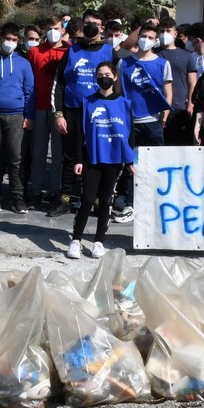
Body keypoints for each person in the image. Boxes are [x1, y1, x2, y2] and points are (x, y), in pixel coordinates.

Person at [68, 63, 136, 260]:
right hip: (92, 158)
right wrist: (78, 159)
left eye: (107, 74)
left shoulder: (124, 103)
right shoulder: (87, 102)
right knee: (87, 200)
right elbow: (79, 134)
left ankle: (99, 242)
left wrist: (130, 161)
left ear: (115, 77)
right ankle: (76, 240)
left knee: (106, 201)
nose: (103, 78)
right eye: (99, 75)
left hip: (114, 160)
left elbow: (130, 135)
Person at [50, 12, 114, 217]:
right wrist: (58, 114)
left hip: (99, 113)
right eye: (87, 23)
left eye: (95, 24)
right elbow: (58, 84)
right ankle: (64, 199)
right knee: (70, 156)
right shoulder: (71, 51)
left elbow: (118, 86)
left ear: (102, 27)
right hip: (73, 111)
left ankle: (96, 200)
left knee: (98, 155)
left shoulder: (110, 52)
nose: (91, 27)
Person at [113, 22, 171, 223]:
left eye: (150, 37)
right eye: (143, 36)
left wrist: (163, 119)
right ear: (137, 38)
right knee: (131, 165)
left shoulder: (163, 64)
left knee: (155, 164)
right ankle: (131, 204)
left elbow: (168, 94)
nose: (146, 40)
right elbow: (118, 93)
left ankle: (156, 204)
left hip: (153, 122)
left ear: (156, 41)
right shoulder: (124, 63)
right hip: (130, 123)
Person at [0, 22, 34, 213]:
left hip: (16, 116)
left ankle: (17, 197)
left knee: (15, 157)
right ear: (1, 39)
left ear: (18, 41)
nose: (10, 42)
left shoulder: (24, 63)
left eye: (14, 39)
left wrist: (29, 116)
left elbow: (29, 91)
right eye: (7, 39)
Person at [25, 16, 68, 207]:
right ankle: (35, 191)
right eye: (50, 28)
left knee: (58, 155)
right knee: (38, 153)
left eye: (56, 28)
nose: (53, 31)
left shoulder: (69, 51)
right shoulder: (35, 51)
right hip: (39, 107)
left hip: (58, 110)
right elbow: (29, 82)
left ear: (63, 30)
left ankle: (54, 191)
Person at [157, 14, 197, 145]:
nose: (164, 34)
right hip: (157, 110)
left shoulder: (186, 55)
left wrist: (190, 105)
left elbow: (192, 82)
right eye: (161, 31)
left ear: (175, 34)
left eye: (168, 31)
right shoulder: (152, 54)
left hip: (180, 109)